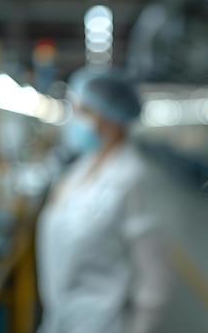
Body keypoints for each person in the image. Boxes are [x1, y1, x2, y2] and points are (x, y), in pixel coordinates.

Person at [36, 72, 172, 333]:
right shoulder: (83, 166)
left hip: (104, 323)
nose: (74, 119)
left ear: (110, 118)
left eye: (83, 110)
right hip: (61, 318)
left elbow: (153, 280)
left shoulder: (133, 177)